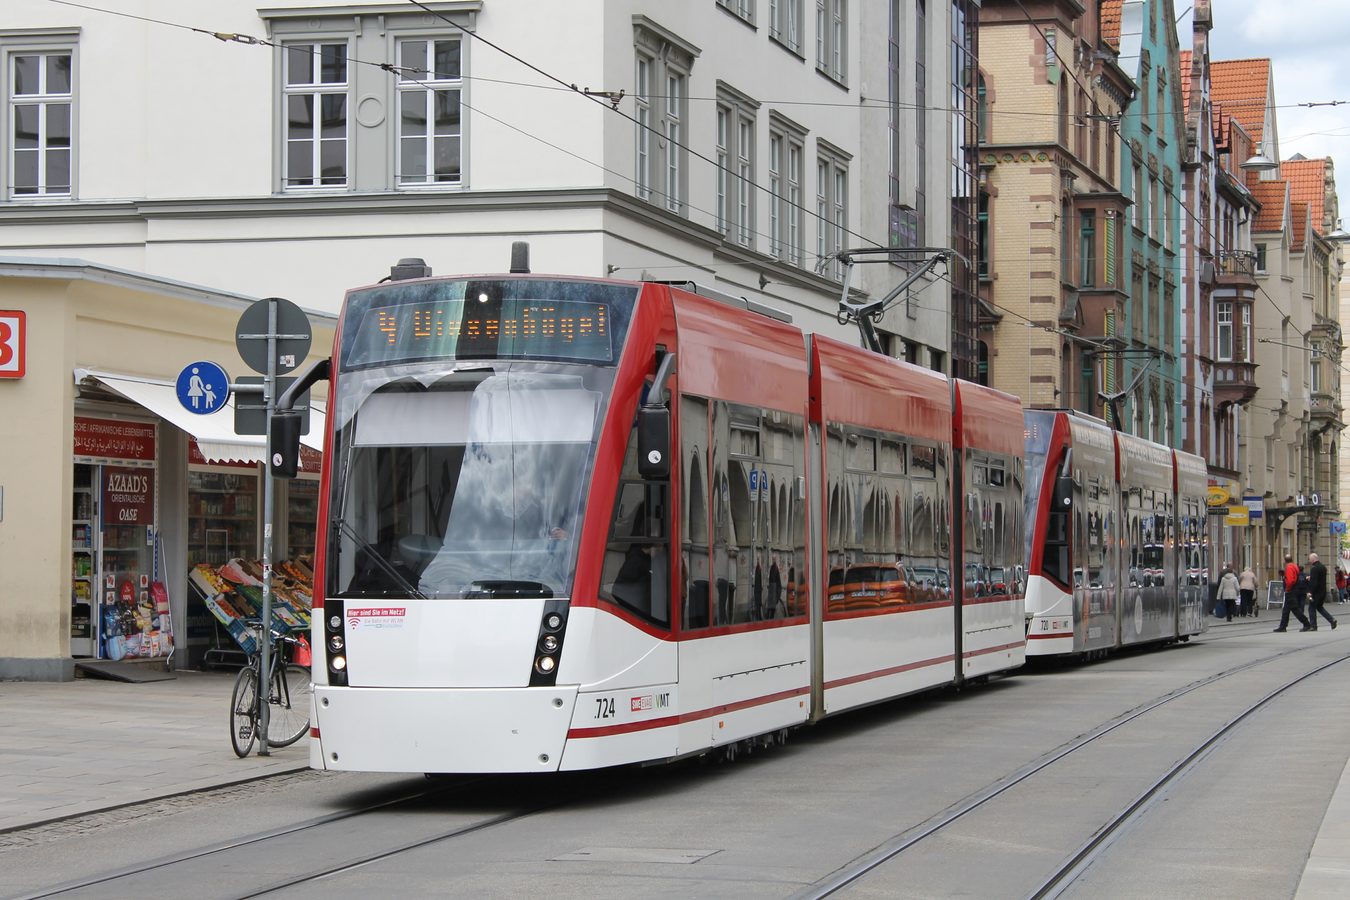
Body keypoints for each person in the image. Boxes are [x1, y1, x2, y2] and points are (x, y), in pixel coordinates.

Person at [1276, 554, 1312, 632]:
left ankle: (1307, 624)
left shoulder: (1289, 567)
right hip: (1295, 589)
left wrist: (1287, 589)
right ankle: (1283, 626)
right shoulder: (1294, 566)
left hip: (1291, 590)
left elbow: (1290, 580)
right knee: (1286, 609)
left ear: (1285, 560)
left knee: (1295, 609)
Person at [1306, 552, 1338, 631]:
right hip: (1322, 591)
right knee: (1319, 607)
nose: (1309, 561)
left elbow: (1314, 582)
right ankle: (1332, 620)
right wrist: (1312, 577)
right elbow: (1319, 579)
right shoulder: (1323, 567)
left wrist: (1310, 592)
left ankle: (1313, 626)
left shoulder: (1314, 568)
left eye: (1309, 559)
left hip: (1316, 593)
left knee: (1311, 608)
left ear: (1313, 559)